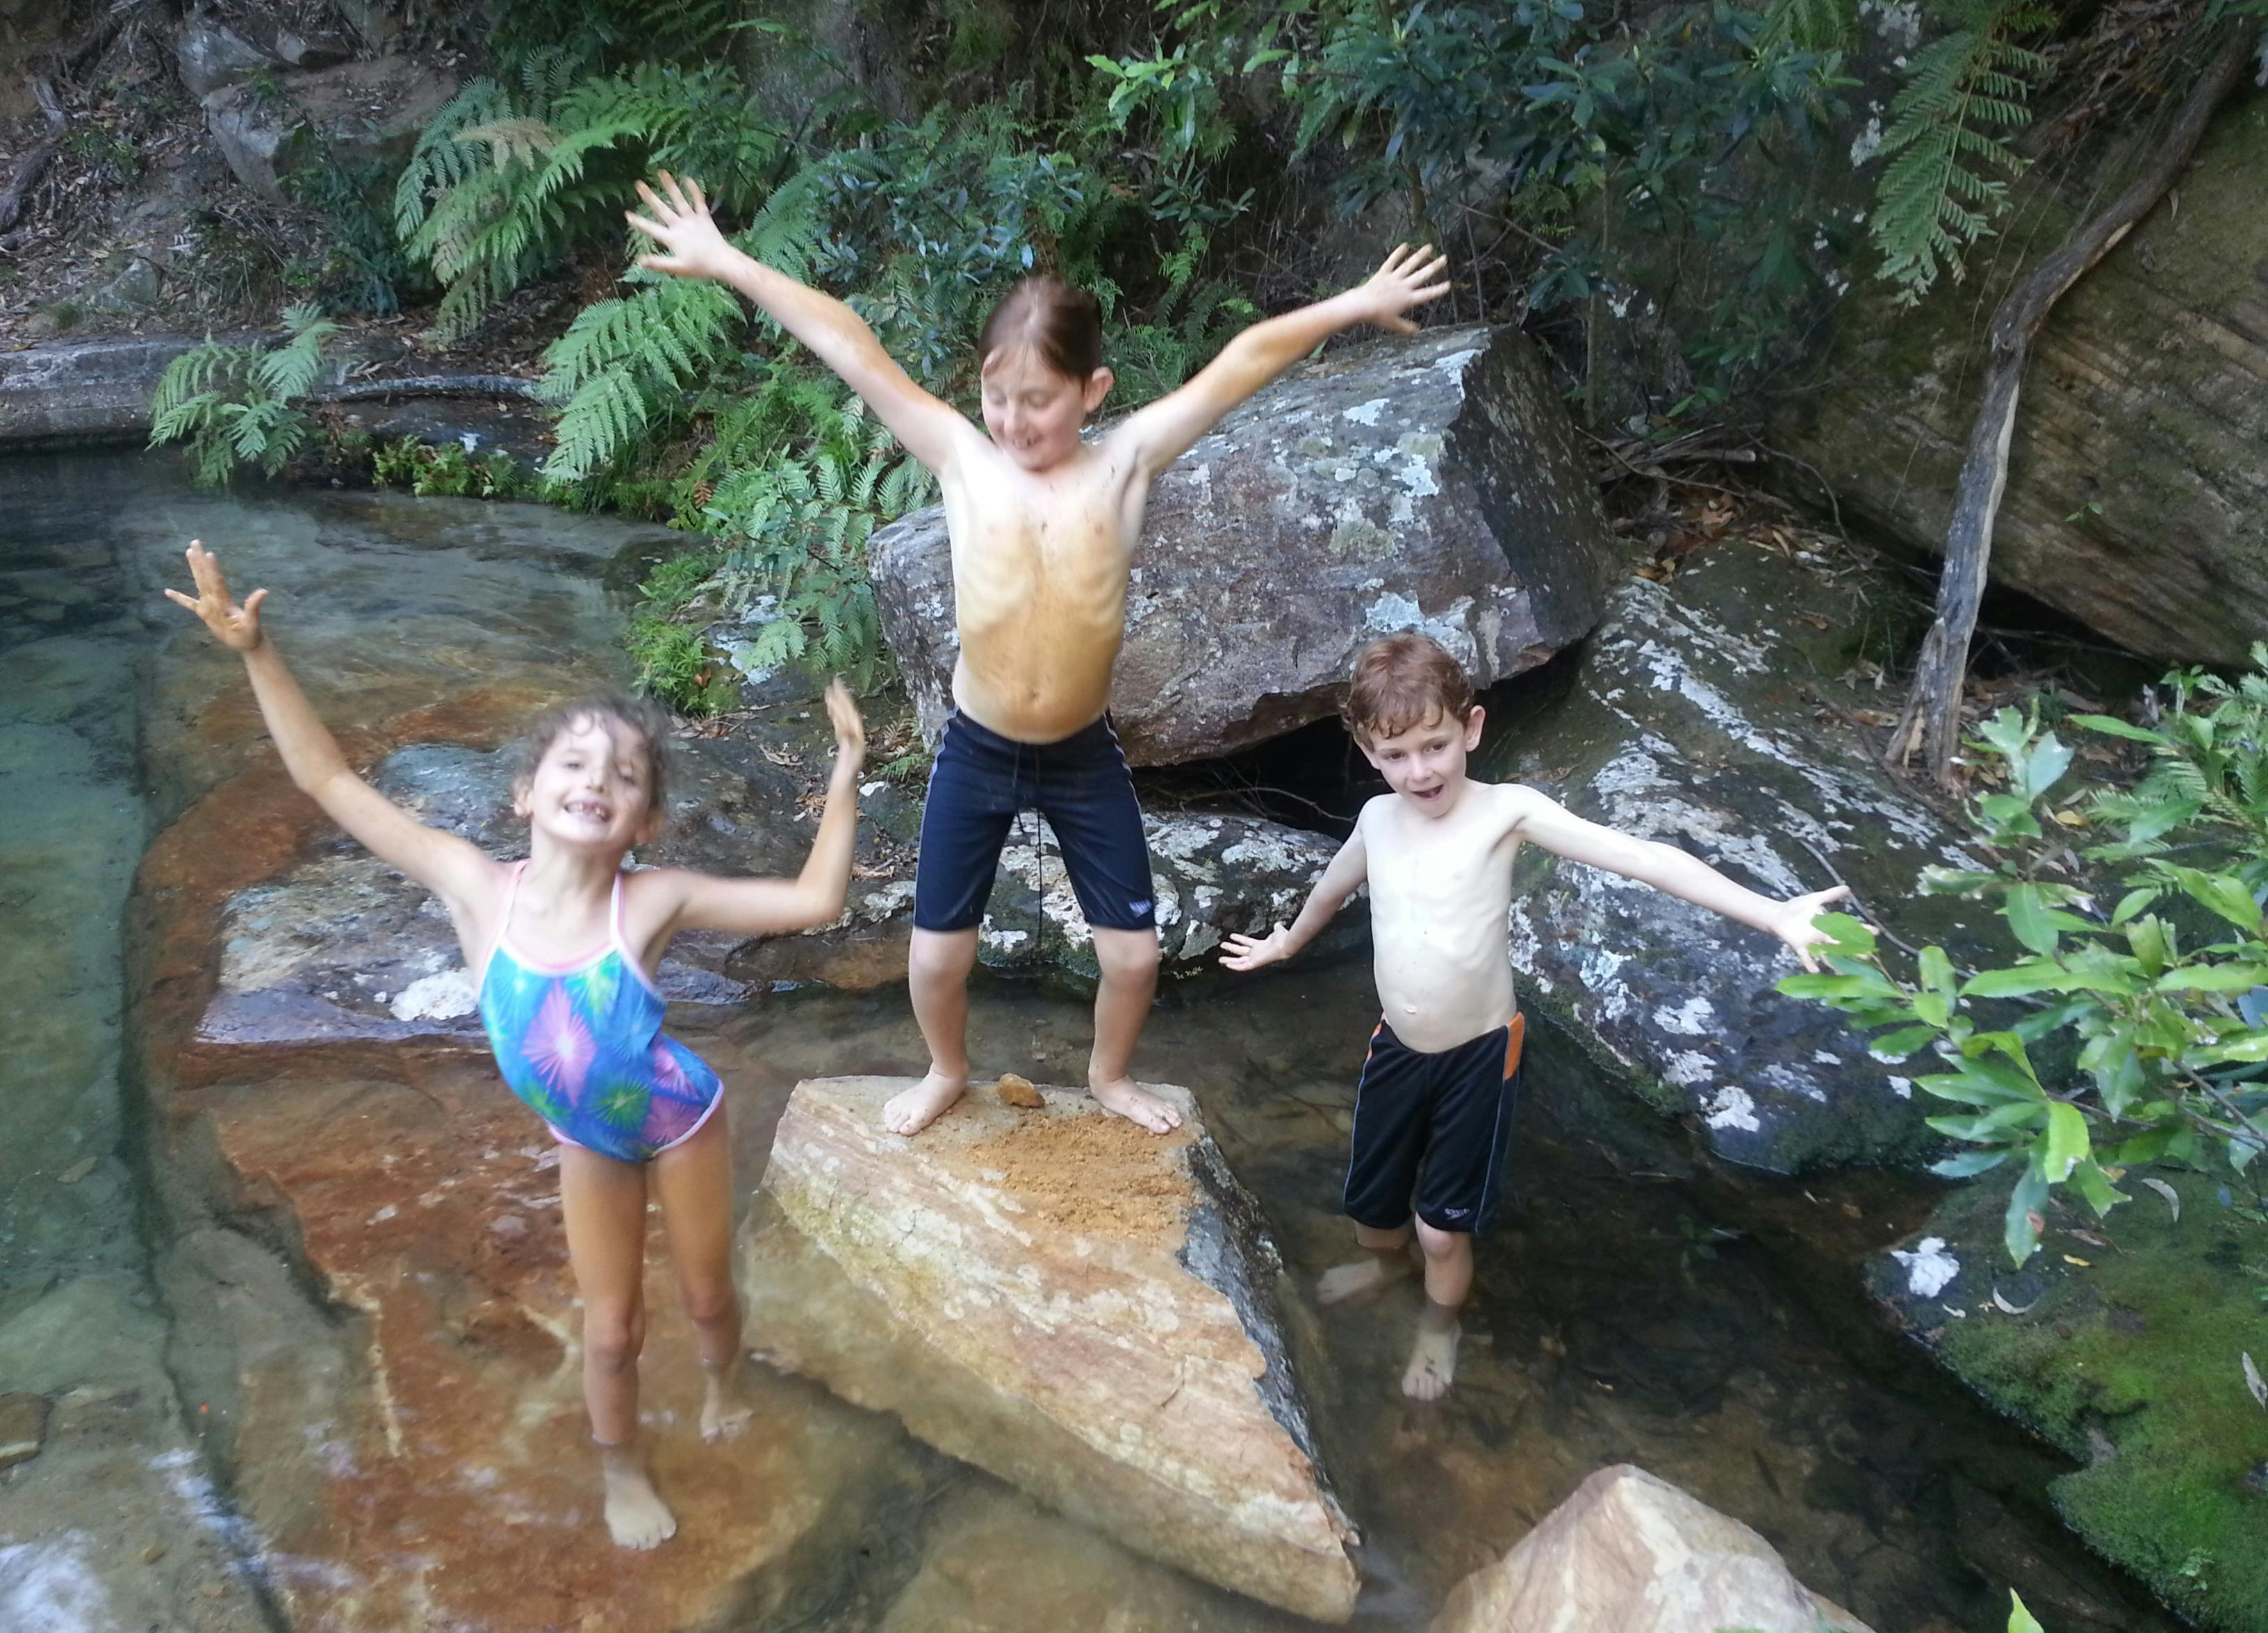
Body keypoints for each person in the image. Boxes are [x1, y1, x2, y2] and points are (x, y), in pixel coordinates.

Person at [625, 171, 1452, 1138]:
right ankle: (945, 1068)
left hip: (1080, 755)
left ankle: (1109, 1076)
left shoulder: (1125, 464)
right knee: (936, 956)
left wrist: (1352, 304)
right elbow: (847, 341)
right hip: (977, 747)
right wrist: (728, 260)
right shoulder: (961, 459)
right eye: (996, 395)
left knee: (1133, 956)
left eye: (1039, 401)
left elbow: (1241, 361)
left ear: (1093, 391)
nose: (1013, 420)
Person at [164, 541, 866, 1549]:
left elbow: (815, 900)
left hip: (681, 1119)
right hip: (589, 1140)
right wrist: (256, 654)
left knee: (708, 1296)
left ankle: (722, 1383)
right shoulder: (473, 889)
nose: (597, 780)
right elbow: (328, 779)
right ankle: (621, 1467)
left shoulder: (655, 899)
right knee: (611, 1329)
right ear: (525, 793)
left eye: (624, 775)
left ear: (645, 821)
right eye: (573, 763)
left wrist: (845, 771)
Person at [1220, 632, 1846, 1401]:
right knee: (1372, 1209)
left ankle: (1439, 1326)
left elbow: (1645, 857)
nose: (1420, 771)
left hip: (1478, 1058)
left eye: (1435, 746)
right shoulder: (1379, 819)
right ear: (1368, 752)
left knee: (1440, 1228)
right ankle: (1383, 1267)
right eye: (1396, 755)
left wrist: (1774, 913)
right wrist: (1286, 943)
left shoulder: (1506, 813)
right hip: (1398, 1048)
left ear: (1472, 729)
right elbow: (1333, 886)